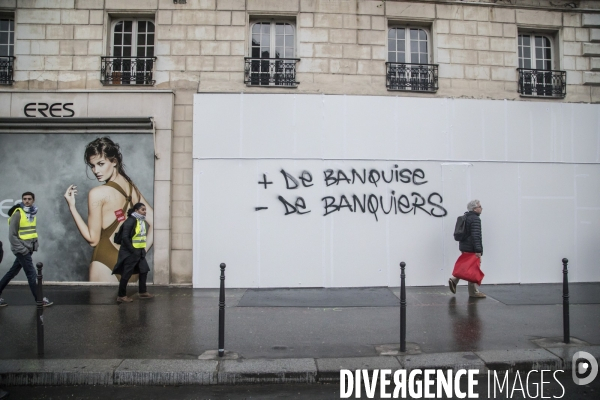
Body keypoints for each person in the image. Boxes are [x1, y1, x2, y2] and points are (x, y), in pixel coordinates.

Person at [63, 137, 153, 282]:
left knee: (102, 305)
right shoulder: (131, 188)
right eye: (92, 166)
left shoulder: (97, 193)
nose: (95, 171)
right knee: (129, 305)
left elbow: (93, 240)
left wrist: (72, 207)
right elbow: (155, 222)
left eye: (101, 164)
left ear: (114, 161)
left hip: (105, 262)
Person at [0, 192, 53, 307]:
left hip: (28, 249)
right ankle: (39, 300)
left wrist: (34, 245)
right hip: (22, 250)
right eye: (24, 199)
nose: (27, 201)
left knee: (12, 272)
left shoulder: (32, 213)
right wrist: (23, 250)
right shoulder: (18, 213)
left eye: (29, 199)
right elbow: (12, 235)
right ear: (22, 200)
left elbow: (31, 232)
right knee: (31, 274)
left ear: (33, 200)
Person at [112, 202, 154, 303]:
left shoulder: (140, 221)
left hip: (139, 251)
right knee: (126, 273)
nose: (145, 212)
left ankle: (142, 292)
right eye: (142, 210)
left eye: (145, 210)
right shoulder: (130, 221)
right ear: (136, 211)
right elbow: (125, 237)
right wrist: (132, 250)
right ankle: (121, 295)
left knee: (143, 270)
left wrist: (141, 250)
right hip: (130, 252)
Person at [448, 199, 486, 298]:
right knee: (473, 269)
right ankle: (472, 292)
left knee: (469, 267)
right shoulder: (475, 219)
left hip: (464, 247)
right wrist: (478, 250)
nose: (481, 208)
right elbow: (476, 236)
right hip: (472, 248)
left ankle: (457, 281)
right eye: (480, 206)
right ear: (474, 209)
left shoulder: (465, 217)